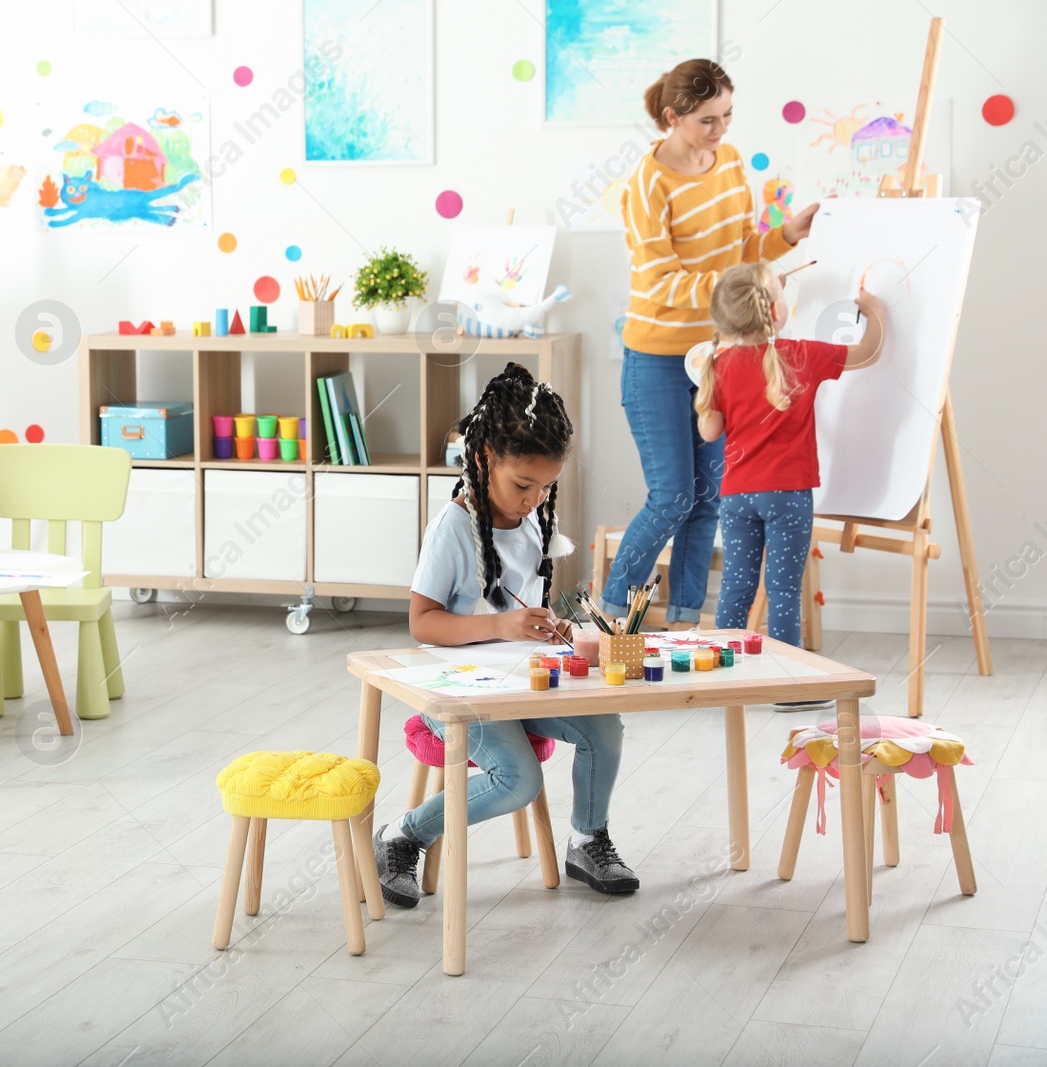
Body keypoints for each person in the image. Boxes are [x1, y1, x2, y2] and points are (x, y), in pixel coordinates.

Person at [372, 363, 639, 904]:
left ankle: (588, 839)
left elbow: (525, 607)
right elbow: (421, 622)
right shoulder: (453, 527)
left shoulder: (536, 519)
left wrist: (554, 624)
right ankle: (401, 837)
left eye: (546, 486)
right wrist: (500, 625)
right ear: (484, 458)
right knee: (519, 781)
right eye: (523, 484)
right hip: (457, 690)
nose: (534, 499)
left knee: (604, 728)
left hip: (522, 682)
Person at [603, 58, 819, 628]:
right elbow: (664, 281)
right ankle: (608, 611)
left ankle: (682, 619)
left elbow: (742, 245)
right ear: (673, 118)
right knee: (673, 496)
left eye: (727, 115)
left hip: (718, 356)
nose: (721, 129)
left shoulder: (729, 162)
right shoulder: (646, 185)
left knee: (710, 500)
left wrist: (785, 237)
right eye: (707, 120)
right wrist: (740, 288)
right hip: (655, 354)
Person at [697, 264, 885, 706]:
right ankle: (790, 687)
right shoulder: (801, 354)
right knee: (782, 590)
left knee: (737, 588)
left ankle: (722, 679)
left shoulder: (719, 365)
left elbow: (710, 432)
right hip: (788, 495)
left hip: (737, 496)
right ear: (776, 311)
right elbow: (868, 352)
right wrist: (872, 310)